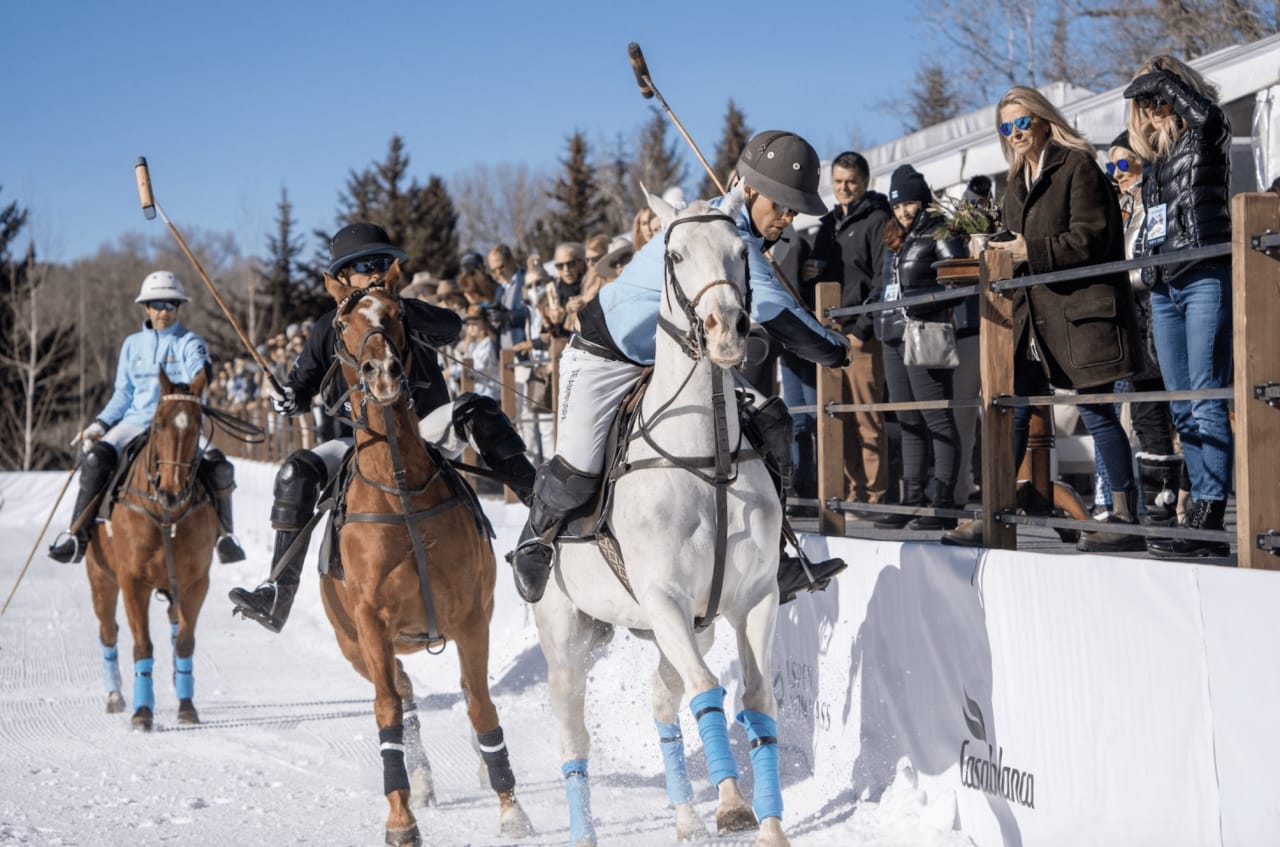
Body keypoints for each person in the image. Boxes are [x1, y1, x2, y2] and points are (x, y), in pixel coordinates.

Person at [509, 130, 853, 605]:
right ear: (749, 191)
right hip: (606, 353)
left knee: (768, 423)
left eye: (795, 210)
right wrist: (840, 348)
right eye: (782, 205)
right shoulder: (719, 232)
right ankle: (535, 538)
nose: (788, 217)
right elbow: (784, 321)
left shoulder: (737, 233)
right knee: (578, 471)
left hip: (678, 360)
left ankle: (775, 555)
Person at [228, 223, 538, 633]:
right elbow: (300, 389)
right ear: (342, 279)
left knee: (477, 409)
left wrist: (395, 307)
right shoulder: (328, 327)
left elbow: (452, 328)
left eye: (380, 265)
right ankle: (278, 593)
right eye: (362, 267)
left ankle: (545, 514)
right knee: (294, 471)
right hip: (361, 442)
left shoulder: (401, 310)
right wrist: (285, 398)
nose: (373, 273)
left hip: (425, 432)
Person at [945, 86, 1143, 552]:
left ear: (1042, 119)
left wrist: (1025, 250)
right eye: (1005, 127)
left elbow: (1090, 239)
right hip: (1032, 318)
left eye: (1021, 123)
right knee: (1012, 409)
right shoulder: (1016, 181)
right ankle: (996, 510)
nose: (1014, 133)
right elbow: (1020, 243)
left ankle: (1123, 515)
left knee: (1097, 412)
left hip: (1079, 314)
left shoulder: (1078, 166)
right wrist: (993, 247)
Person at [48, 272, 245, 565]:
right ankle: (77, 535)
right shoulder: (131, 345)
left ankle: (225, 537)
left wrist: (202, 372)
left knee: (221, 468)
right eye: (156, 305)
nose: (163, 311)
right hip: (135, 422)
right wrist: (99, 424)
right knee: (94, 462)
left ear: (178, 307)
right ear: (146, 308)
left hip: (177, 427)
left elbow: (200, 367)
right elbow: (123, 393)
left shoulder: (189, 341)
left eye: (169, 305)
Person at [1124, 56, 1234, 558]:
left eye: (1160, 95)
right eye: (1145, 101)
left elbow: (1206, 114)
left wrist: (1159, 78)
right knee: (1182, 404)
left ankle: (1210, 511)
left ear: (1177, 88)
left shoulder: (1206, 134)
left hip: (1203, 276)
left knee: (1207, 396)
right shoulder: (1155, 163)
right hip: (1164, 287)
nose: (1153, 107)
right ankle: (1197, 515)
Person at [871, 165, 965, 531]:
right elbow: (883, 285)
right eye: (897, 206)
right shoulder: (895, 236)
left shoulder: (939, 229)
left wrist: (918, 302)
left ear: (923, 200)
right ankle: (911, 500)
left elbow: (959, 280)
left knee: (935, 415)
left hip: (923, 329)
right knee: (907, 419)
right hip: (891, 333)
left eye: (909, 203)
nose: (903, 211)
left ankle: (943, 501)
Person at [806, 151, 892, 509]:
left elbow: (882, 280)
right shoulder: (828, 224)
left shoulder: (877, 220)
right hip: (830, 334)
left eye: (851, 182)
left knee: (867, 417)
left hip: (861, 335)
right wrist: (810, 271)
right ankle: (852, 493)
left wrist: (862, 329)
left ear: (865, 182)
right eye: (838, 182)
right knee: (836, 417)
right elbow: (820, 269)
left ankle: (876, 495)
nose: (843, 188)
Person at [1108, 131, 1183, 532]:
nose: (1116, 173)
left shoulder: (1157, 200)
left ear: (1143, 163)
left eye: (1123, 164)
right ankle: (1159, 507)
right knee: (1143, 413)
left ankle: (1188, 500)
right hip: (1130, 318)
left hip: (1158, 307)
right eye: (1111, 166)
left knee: (1178, 409)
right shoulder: (1120, 208)